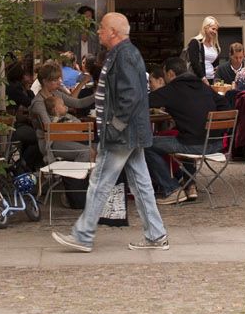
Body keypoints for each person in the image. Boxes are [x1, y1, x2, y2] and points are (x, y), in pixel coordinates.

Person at [53, 13, 169, 253]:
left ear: (114, 32)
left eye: (102, 28)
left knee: (99, 182)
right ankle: (156, 235)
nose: (98, 32)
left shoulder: (124, 55)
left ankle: (83, 235)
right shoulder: (125, 53)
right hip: (130, 133)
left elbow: (130, 97)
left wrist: (113, 127)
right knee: (141, 184)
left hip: (121, 134)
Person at [146, 56, 217, 204]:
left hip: (194, 145)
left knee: (146, 144)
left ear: (171, 73)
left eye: (165, 75)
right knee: (185, 135)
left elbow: (144, 102)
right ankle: (190, 186)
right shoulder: (203, 86)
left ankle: (171, 189)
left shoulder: (173, 89)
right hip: (215, 144)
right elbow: (225, 104)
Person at [183, 17, 223, 82]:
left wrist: (217, 71)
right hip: (198, 80)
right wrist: (203, 78)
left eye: (216, 30)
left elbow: (215, 64)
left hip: (212, 79)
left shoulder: (215, 45)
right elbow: (194, 63)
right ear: (205, 27)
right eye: (213, 29)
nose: (215, 32)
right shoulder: (195, 42)